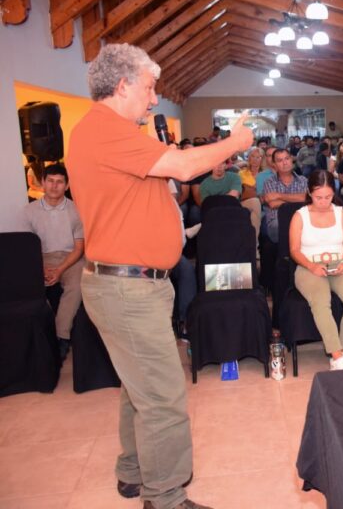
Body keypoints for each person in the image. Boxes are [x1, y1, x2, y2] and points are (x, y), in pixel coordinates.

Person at [67, 43, 253, 509]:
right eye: (149, 89)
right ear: (124, 84)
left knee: (139, 387)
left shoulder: (115, 132)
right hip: (126, 286)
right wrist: (236, 143)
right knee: (164, 398)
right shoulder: (103, 130)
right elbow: (187, 166)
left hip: (131, 284)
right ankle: (165, 497)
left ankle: (133, 473)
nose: (154, 100)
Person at [289, 170, 343, 370]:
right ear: (309, 193)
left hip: (338, 263)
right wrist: (312, 266)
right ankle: (336, 354)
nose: (323, 201)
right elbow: (294, 250)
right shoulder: (300, 216)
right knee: (321, 301)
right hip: (308, 265)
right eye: (318, 197)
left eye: (328, 196)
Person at [21, 162, 85, 360]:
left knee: (76, 285)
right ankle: (36, 342)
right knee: (26, 287)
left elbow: (79, 248)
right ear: (42, 182)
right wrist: (42, 268)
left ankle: (60, 338)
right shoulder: (28, 211)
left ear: (66, 186)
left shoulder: (77, 210)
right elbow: (27, 248)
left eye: (59, 182)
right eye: (50, 181)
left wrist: (59, 270)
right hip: (39, 258)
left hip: (71, 258)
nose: (54, 186)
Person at [263, 148, 308, 243]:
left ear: (292, 160)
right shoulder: (269, 182)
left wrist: (278, 195)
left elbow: (306, 199)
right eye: (280, 160)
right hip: (277, 220)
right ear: (274, 165)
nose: (285, 162)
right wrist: (298, 200)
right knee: (279, 225)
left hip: (301, 217)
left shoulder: (303, 180)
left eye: (287, 158)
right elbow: (273, 204)